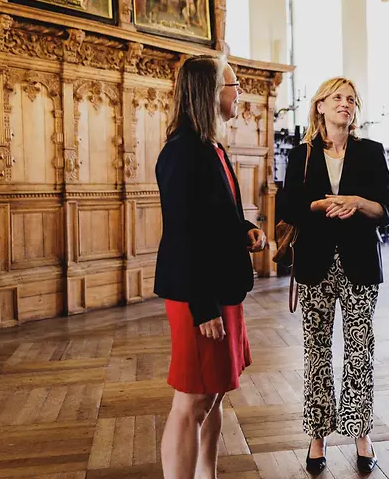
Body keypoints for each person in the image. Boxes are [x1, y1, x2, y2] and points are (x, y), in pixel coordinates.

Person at [154, 54, 267, 479]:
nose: (239, 93)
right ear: (209, 92)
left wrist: (245, 230)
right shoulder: (181, 151)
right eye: (233, 85)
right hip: (198, 296)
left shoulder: (212, 146)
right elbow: (183, 234)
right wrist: (204, 308)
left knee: (215, 393)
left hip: (221, 288)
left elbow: (212, 217)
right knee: (192, 401)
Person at [278, 77, 389, 475]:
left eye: (351, 99)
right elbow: (288, 207)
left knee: (360, 350)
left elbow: (386, 210)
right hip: (315, 263)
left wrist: (358, 202)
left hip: (361, 264)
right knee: (317, 351)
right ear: (320, 106)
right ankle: (317, 435)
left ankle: (361, 434)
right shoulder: (302, 155)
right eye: (337, 98)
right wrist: (319, 205)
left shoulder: (371, 152)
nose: (345, 103)